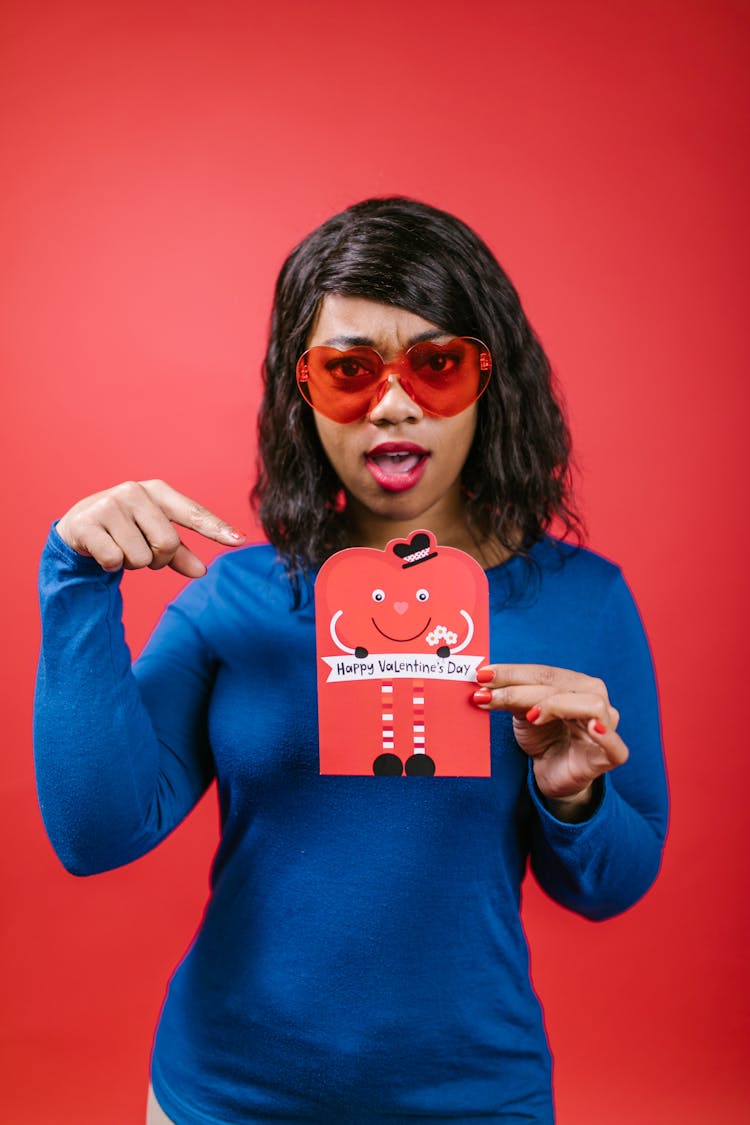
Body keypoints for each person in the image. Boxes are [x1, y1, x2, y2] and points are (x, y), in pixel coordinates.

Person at [34, 197, 669, 1125]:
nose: (396, 402)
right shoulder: (233, 598)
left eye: (437, 364)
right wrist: (75, 581)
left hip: (474, 1099)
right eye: (350, 371)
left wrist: (573, 796)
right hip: (223, 1094)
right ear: (305, 391)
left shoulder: (584, 602)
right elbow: (95, 834)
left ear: (492, 380)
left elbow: (616, 885)